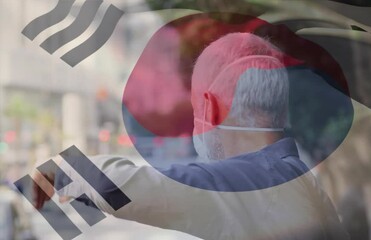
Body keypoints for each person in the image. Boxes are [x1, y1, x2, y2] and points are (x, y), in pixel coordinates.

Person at [33, 33, 349, 240]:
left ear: (209, 109)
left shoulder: (252, 183)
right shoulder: (301, 180)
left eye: (195, 109)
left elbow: (121, 186)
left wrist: (51, 174)